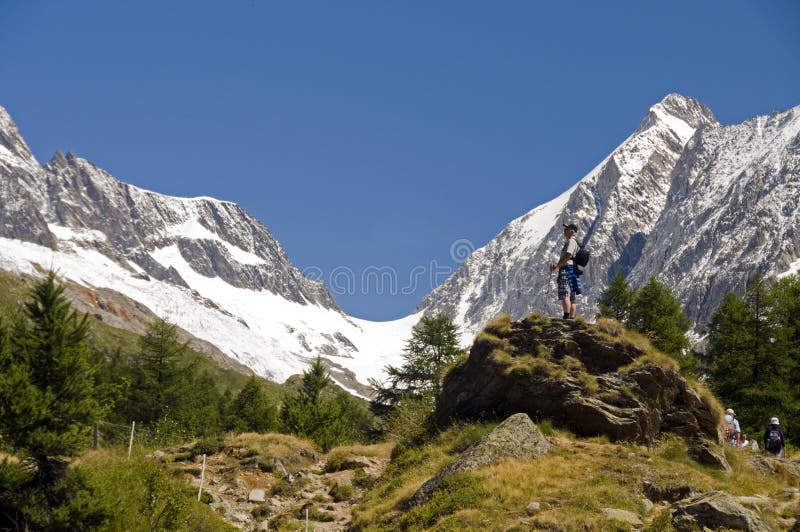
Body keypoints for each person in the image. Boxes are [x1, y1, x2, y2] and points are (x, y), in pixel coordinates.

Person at [550, 223, 582, 319]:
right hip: (573, 270)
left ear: (572, 231)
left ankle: (566, 316)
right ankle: (571, 318)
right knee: (572, 297)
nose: (564, 232)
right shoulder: (576, 243)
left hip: (567, 269)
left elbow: (568, 256)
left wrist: (557, 266)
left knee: (565, 293)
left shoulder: (571, 242)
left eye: (566, 229)